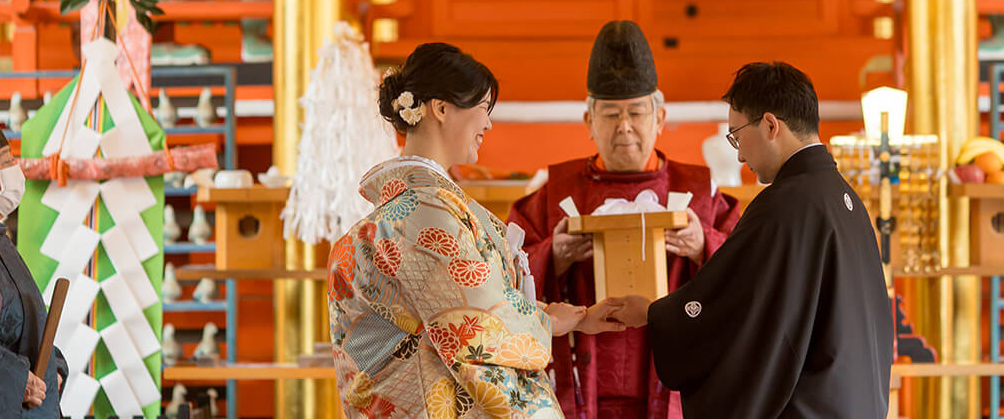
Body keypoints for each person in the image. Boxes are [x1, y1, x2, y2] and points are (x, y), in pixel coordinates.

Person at [329, 43, 622, 419]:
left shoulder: (417, 206)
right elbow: (473, 331)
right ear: (441, 109)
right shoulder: (424, 213)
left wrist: (552, 317)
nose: (488, 124)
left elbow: (463, 303)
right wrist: (543, 324)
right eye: (484, 108)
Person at [609, 62, 893, 419]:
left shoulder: (786, 205)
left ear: (771, 125)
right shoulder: (845, 199)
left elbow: (732, 306)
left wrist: (655, 315)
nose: (740, 155)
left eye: (737, 135)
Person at [508, 21, 741, 419]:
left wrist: (704, 246)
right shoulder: (553, 193)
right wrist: (553, 256)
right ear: (589, 121)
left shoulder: (700, 192)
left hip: (674, 385)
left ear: (659, 117)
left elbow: (750, 272)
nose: (625, 126)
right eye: (611, 114)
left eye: (636, 111)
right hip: (577, 384)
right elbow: (500, 276)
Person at [0, 126, 68, 418]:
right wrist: (17, 380)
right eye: (5, 163)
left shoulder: (2, 243)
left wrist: (53, 367)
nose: (14, 171)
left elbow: (22, 324)